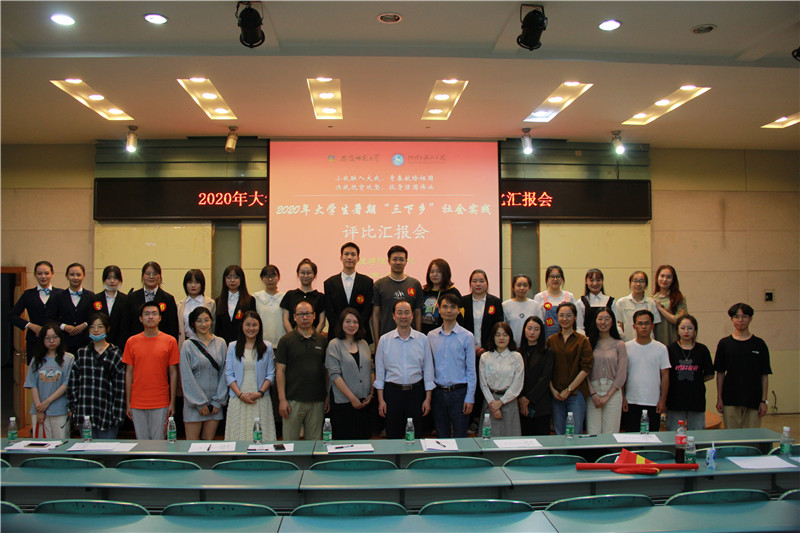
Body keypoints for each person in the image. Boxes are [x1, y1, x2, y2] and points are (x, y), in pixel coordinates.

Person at [374, 300, 434, 439]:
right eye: (399, 313)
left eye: (407, 313)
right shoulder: (384, 340)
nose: (403, 316)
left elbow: (428, 371)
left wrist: (428, 399)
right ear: (393, 316)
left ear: (412, 315)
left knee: (416, 436)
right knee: (393, 436)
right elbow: (380, 373)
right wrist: (381, 400)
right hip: (392, 393)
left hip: (416, 393)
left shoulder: (423, 339)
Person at [123, 301, 179, 440]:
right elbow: (128, 373)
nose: (150, 317)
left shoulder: (170, 341)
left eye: (154, 313)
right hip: (137, 401)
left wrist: (172, 402)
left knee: (159, 443)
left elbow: (173, 373)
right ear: (140, 318)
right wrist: (128, 403)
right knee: (142, 443)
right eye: (146, 314)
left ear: (160, 318)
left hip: (161, 401)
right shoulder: (131, 342)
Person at [275, 301, 329, 440]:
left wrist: (327, 395)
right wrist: (282, 400)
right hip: (292, 401)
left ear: (314, 316)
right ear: (294, 317)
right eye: (301, 314)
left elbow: (326, 371)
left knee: (314, 443)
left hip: (317, 401)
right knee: (290, 443)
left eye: (308, 314)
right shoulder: (286, 341)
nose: (305, 317)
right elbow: (280, 371)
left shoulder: (322, 340)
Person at [68, 312, 126, 439]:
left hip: (108, 413)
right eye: (92, 327)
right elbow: (73, 382)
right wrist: (73, 406)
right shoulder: (82, 353)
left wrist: (118, 413)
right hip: (85, 411)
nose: (96, 330)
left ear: (107, 329)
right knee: (87, 449)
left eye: (100, 327)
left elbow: (120, 387)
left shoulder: (115, 353)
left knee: (107, 449)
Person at [714, 303, 772, 429]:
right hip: (730, 399)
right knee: (731, 437)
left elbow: (764, 374)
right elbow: (720, 373)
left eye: (744, 316)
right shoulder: (724, 343)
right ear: (731, 319)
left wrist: (764, 401)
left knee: (751, 436)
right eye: (736, 317)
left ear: (750, 318)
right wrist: (719, 398)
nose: (740, 320)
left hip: (754, 399)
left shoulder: (759, 344)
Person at [459, 269, 503, 433]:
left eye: (481, 281)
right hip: (467, 351)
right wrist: (472, 346)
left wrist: (487, 346)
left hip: (489, 352)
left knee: (485, 384)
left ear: (487, 283)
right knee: (471, 384)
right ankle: (470, 420)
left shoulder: (495, 302)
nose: (478, 284)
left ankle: (482, 419)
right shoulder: (463, 301)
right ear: (470, 283)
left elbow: (498, 326)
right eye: (475, 281)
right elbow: (460, 326)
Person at [427, 293, 476, 438]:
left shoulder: (467, 336)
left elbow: (471, 369)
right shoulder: (431, 336)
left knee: (461, 436)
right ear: (439, 309)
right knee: (442, 436)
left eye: (453, 307)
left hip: (459, 393)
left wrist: (470, 397)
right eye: (445, 307)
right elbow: (428, 368)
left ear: (458, 310)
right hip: (438, 393)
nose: (449, 310)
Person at [225, 310, 276, 441]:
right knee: (238, 435)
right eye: (248, 325)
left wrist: (259, 393)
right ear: (242, 326)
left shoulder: (267, 347)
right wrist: (240, 395)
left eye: (254, 325)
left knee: (262, 437)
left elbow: (270, 374)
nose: (251, 328)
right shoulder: (232, 346)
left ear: (259, 327)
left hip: (260, 398)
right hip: (238, 397)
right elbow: (229, 374)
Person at [325, 308, 374, 440]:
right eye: (347, 322)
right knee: (343, 442)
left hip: (364, 402)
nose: (352, 325)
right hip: (343, 402)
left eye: (355, 322)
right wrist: (352, 398)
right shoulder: (334, 344)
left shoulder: (364, 344)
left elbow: (371, 369)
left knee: (363, 442)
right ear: (341, 323)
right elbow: (334, 375)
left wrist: (371, 393)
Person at [180, 307, 228, 441]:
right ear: (193, 323)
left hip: (215, 404)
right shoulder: (187, 345)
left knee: (209, 444)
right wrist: (200, 403)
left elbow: (225, 372)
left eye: (206, 320)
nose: (203, 324)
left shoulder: (221, 343)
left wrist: (218, 401)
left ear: (211, 321)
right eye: (199, 321)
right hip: (193, 404)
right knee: (192, 445)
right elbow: (186, 376)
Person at [548, 302, 593, 435]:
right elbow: (546, 368)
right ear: (557, 317)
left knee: (575, 432)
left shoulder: (583, 341)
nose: (565, 319)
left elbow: (585, 369)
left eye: (568, 315)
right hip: (556, 394)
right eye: (561, 315)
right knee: (559, 432)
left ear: (575, 317)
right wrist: (552, 389)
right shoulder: (551, 340)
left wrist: (568, 390)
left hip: (576, 393)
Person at [621, 310, 670, 433]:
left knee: (652, 438)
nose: (643, 327)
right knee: (631, 438)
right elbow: (622, 374)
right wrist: (623, 397)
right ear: (634, 326)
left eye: (647, 323)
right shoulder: (626, 347)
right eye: (640, 323)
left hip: (653, 402)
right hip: (631, 401)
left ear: (652, 326)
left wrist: (662, 400)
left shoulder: (661, 348)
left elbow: (665, 375)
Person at [24, 322, 74, 439]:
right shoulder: (36, 359)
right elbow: (32, 384)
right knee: (41, 444)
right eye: (47, 338)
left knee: (61, 443)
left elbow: (66, 384)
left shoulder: (69, 358)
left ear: (60, 338)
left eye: (55, 337)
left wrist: (47, 402)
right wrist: (39, 408)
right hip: (39, 410)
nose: (51, 341)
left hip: (59, 410)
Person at [666, 315, 713, 431]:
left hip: (696, 399)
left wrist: (697, 380)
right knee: (675, 434)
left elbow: (709, 374)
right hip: (675, 400)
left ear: (695, 330)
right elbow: (665, 374)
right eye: (682, 328)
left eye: (690, 328)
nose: (686, 331)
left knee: (697, 435)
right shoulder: (669, 349)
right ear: (677, 330)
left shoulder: (702, 350)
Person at [9, 260, 61, 363]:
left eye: (46, 273)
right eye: (39, 273)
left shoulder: (61, 294)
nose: (43, 276)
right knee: (35, 369)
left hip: (56, 340)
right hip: (34, 341)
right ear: (35, 275)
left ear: (52, 273)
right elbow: (12, 316)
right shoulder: (28, 294)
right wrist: (30, 325)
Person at [585, 307, 627, 434]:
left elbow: (621, 373)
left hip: (613, 391)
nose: (603, 322)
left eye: (607, 319)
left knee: (611, 432)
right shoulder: (588, 342)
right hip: (593, 391)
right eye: (600, 319)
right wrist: (593, 394)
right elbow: (584, 370)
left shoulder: (619, 344)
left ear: (613, 322)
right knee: (593, 432)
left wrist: (608, 396)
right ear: (595, 321)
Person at [479, 322, 524, 437]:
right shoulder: (485, 357)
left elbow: (518, 383)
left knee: (509, 439)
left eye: (505, 335)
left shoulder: (516, 357)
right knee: (488, 437)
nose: (501, 338)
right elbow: (483, 383)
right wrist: (492, 404)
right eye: (497, 335)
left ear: (510, 337)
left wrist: (501, 402)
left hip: (509, 401)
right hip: (490, 401)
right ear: (493, 337)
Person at [372, 245, 424, 344]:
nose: (398, 262)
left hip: (410, 339)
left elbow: (417, 313)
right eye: (395, 259)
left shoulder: (414, 284)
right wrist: (377, 341)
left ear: (406, 261)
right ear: (389, 261)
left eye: (401, 259)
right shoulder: (379, 284)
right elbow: (375, 314)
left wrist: (419, 338)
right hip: (386, 338)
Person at [323, 243, 374, 343]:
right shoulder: (329, 283)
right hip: (336, 334)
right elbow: (330, 311)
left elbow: (367, 309)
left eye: (353, 254)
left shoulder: (367, 282)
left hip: (360, 335)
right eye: (346, 254)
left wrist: (355, 327)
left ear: (358, 258)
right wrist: (341, 329)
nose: (349, 257)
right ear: (341, 258)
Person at [517, 316, 553, 436]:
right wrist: (522, 398)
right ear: (524, 330)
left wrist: (528, 399)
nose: (532, 332)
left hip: (540, 405)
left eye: (536, 329)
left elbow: (545, 378)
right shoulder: (517, 352)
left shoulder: (547, 352)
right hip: (520, 404)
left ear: (541, 332)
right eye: (529, 328)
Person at [127, 261, 179, 341]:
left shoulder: (168, 299)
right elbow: (126, 325)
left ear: (160, 277)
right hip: (137, 342)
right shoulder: (131, 297)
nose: (151, 277)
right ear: (142, 276)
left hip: (161, 343)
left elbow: (173, 328)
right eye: (148, 274)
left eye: (155, 274)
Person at [53, 262, 95, 354]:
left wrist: (85, 324)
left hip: (86, 342)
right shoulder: (58, 296)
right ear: (67, 276)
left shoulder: (91, 296)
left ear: (84, 276)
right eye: (72, 275)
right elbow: (51, 318)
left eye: (78, 275)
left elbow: (95, 316)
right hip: (64, 343)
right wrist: (64, 327)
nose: (75, 278)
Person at [613, 271, 661, 342]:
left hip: (648, 342)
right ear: (630, 283)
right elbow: (619, 324)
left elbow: (655, 327)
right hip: (627, 342)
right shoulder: (621, 302)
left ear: (646, 284)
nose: (638, 284)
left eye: (641, 281)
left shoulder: (651, 303)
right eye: (635, 281)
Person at [90, 265, 130, 351]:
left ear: (120, 280)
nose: (112, 281)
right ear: (104, 280)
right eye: (108, 278)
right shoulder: (95, 299)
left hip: (120, 345)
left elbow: (126, 325)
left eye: (115, 278)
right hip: (98, 343)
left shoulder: (126, 299)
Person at [281, 258, 326, 334]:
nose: (305, 276)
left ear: (314, 275)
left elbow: (322, 322)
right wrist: (293, 337)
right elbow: (285, 320)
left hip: (314, 338)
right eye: (302, 273)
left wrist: (313, 337)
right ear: (298, 274)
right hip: (293, 338)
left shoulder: (320, 297)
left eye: (309, 273)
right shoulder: (290, 295)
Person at [215, 265, 256, 344]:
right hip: (223, 343)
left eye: (236, 277)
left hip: (243, 342)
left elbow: (252, 323)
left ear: (242, 279)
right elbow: (217, 326)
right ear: (224, 280)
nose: (232, 280)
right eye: (229, 277)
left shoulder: (250, 300)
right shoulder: (218, 301)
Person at [534, 265, 576, 340]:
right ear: (547, 279)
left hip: (567, 337)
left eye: (558, 276)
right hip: (546, 337)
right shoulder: (539, 297)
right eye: (552, 277)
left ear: (562, 279)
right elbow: (536, 322)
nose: (555, 279)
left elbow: (576, 320)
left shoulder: (569, 296)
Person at [420, 258, 461, 335]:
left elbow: (460, 318)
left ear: (445, 273)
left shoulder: (453, 292)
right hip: (424, 335)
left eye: (439, 271)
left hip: (446, 335)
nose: (434, 274)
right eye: (432, 272)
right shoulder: (424, 292)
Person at [177, 269, 216, 349]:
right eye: (190, 282)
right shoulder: (179, 305)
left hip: (205, 343)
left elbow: (214, 327)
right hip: (185, 343)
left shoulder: (210, 303)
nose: (193, 285)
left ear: (202, 284)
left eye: (197, 282)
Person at [652, 265, 687, 347]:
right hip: (657, 342)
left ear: (673, 280)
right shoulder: (651, 299)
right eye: (662, 276)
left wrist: (660, 309)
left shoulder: (679, 298)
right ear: (657, 278)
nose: (664, 280)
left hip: (674, 341)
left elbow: (678, 320)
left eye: (669, 277)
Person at [502, 273, 542, 346]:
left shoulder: (535, 305)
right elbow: (503, 328)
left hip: (531, 346)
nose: (522, 288)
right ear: (513, 287)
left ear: (529, 288)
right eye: (519, 285)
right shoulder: (505, 305)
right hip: (511, 346)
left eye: (525, 285)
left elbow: (540, 327)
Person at [576, 268, 615, 338]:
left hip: (608, 341)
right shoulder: (580, 303)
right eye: (591, 280)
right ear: (586, 281)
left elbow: (615, 325)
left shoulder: (611, 301)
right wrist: (586, 341)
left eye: (598, 280)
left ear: (602, 281)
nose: (595, 283)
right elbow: (579, 327)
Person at [253, 265, 286, 347]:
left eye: (273, 276)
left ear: (278, 278)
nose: (270, 279)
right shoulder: (255, 298)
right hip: (261, 343)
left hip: (282, 343)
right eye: (267, 277)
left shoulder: (285, 297)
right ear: (262, 278)